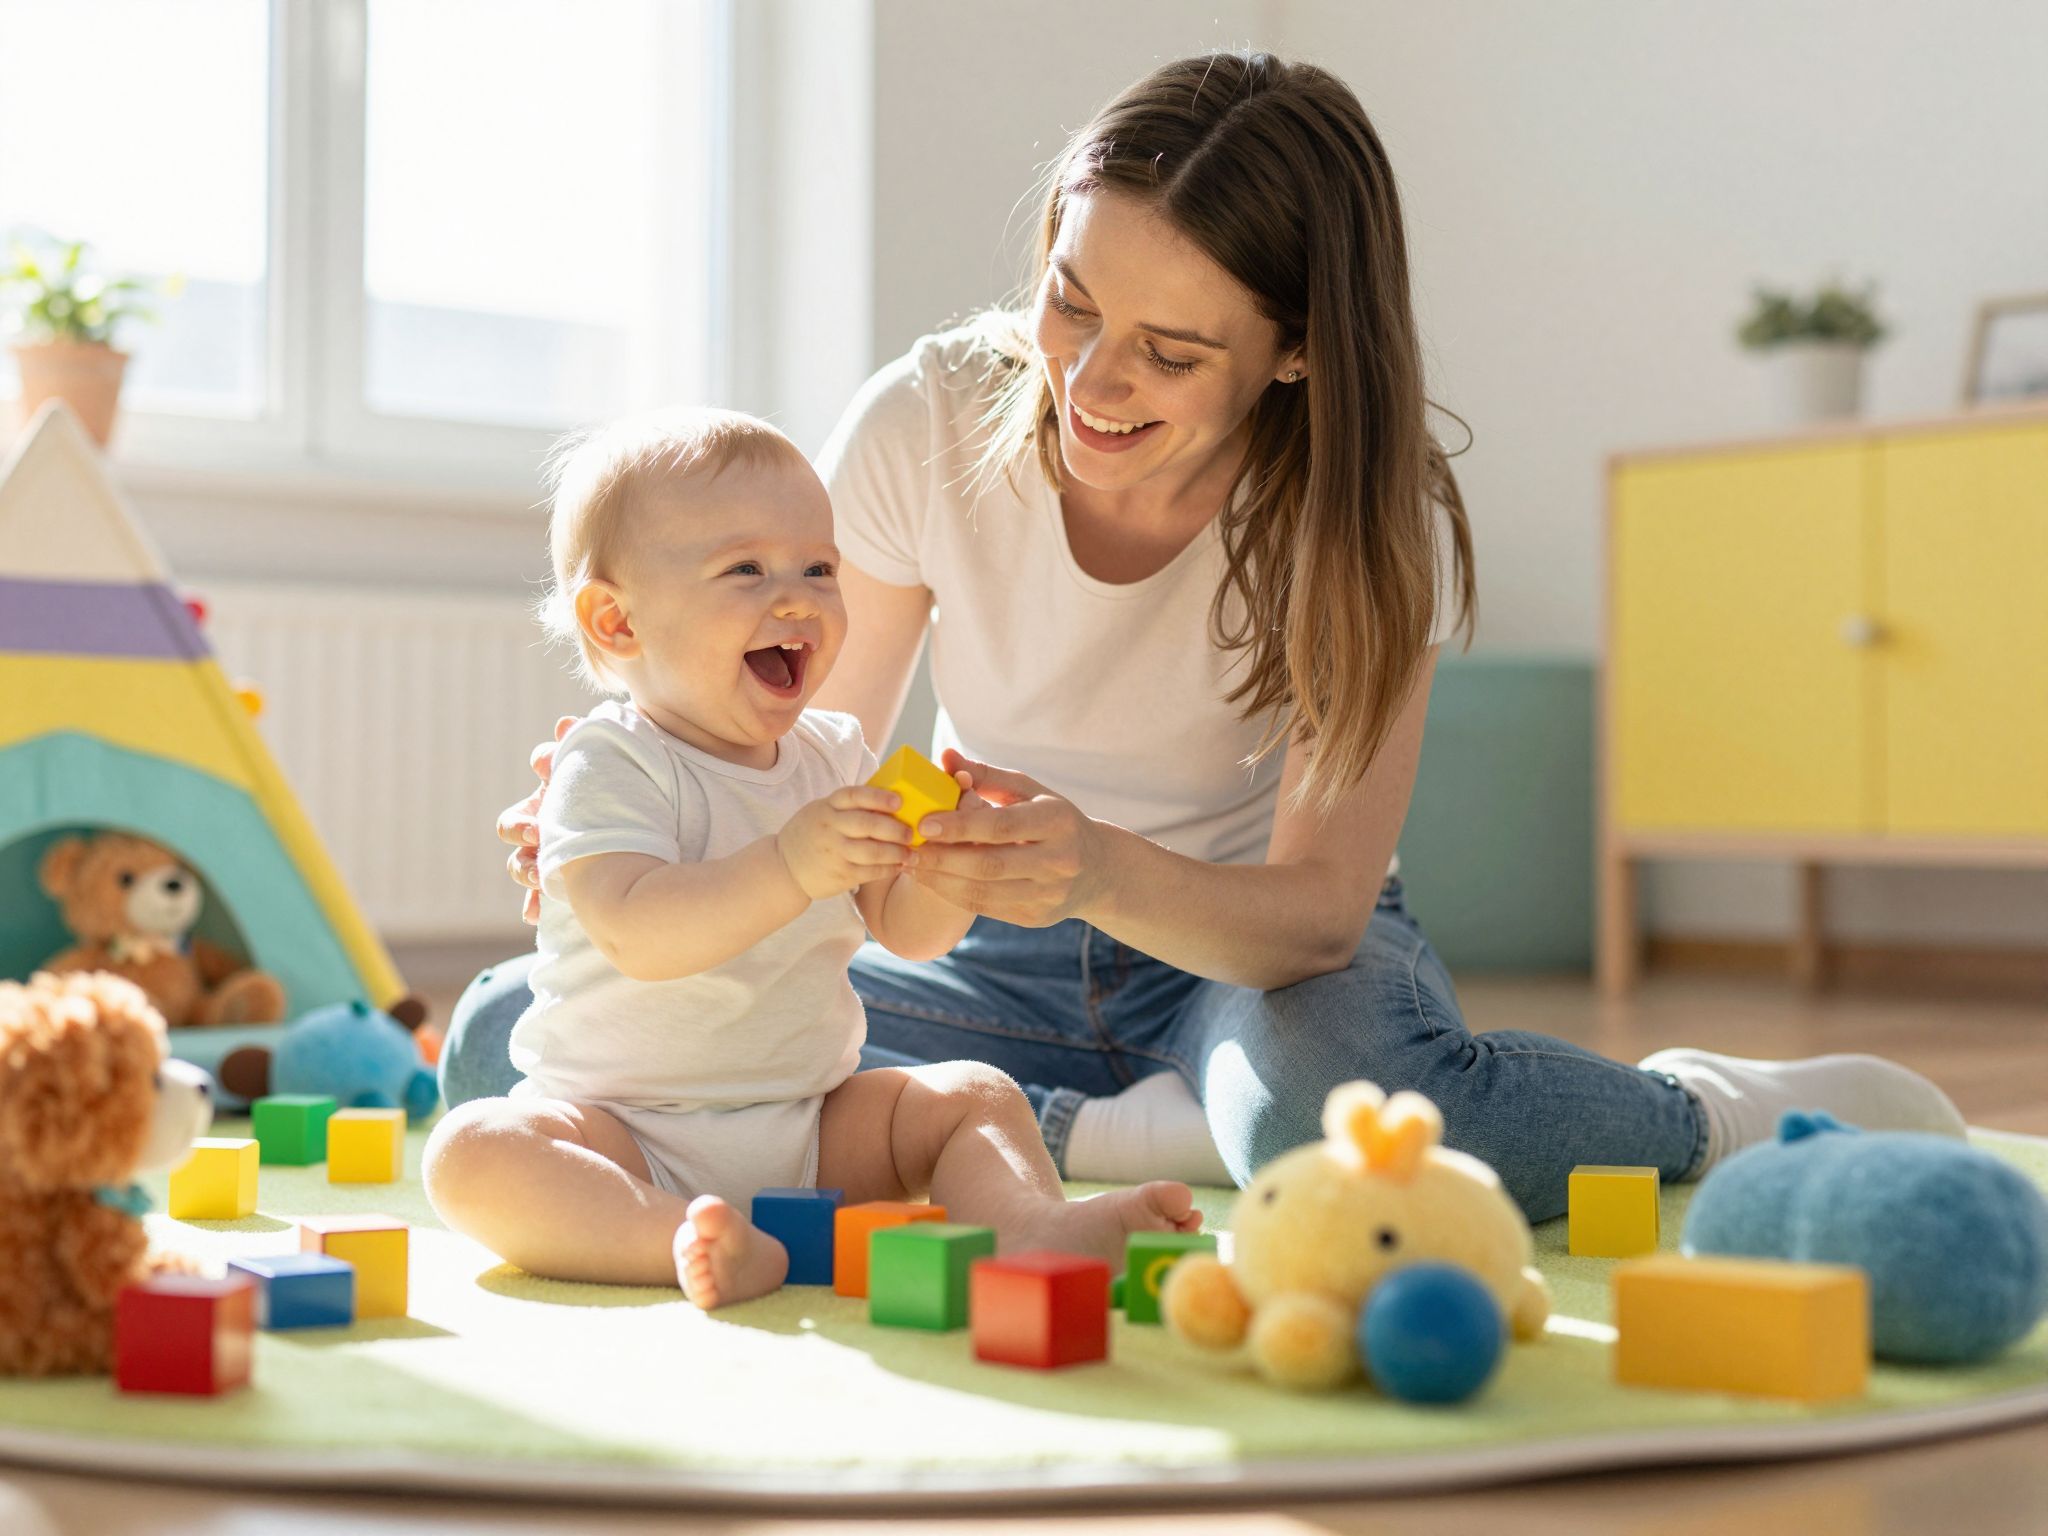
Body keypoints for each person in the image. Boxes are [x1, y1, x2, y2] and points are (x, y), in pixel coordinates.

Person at [447, 51, 1965, 1221]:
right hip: (974, 952)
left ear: (1298, 351)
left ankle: (1698, 1111)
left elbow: (1313, 912)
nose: (1092, 381)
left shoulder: (1366, 515)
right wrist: (658, 820)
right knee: (518, 1029)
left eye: (1171, 353)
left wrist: (1094, 862)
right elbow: (789, 749)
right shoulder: (930, 417)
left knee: (1330, 1109)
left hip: (1244, 961)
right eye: (1069, 301)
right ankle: (1127, 1129)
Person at [422, 410, 1198, 1308]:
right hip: (626, 1129)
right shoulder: (612, 760)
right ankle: (673, 1238)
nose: (797, 598)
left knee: (972, 1096)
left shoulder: (832, 753)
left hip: (812, 1129)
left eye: (819, 569)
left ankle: (1035, 1227)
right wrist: (790, 865)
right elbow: (640, 932)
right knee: (473, 1153)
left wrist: (948, 866)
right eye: (746, 569)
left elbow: (904, 934)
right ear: (617, 620)